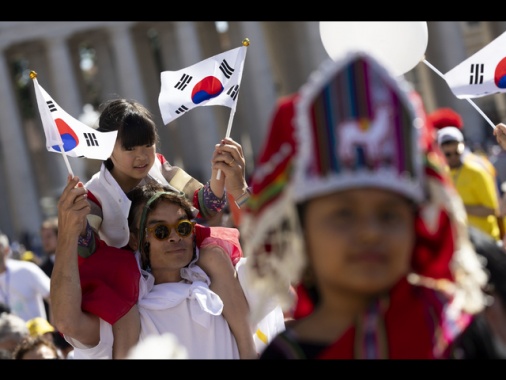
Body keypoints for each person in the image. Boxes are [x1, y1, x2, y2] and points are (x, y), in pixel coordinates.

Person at [240, 52, 488, 359]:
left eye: (388, 214)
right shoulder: (283, 355)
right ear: (300, 230)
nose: (370, 232)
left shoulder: (459, 329)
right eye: (343, 214)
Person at [75, 98, 256, 359]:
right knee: (124, 293)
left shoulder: (162, 166)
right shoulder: (94, 193)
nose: (142, 155)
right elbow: (87, 246)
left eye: (147, 145)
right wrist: (76, 222)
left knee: (215, 255)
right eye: (130, 148)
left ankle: (248, 350)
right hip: (127, 266)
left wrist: (220, 174)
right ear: (107, 147)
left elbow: (205, 205)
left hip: (176, 248)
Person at [51, 178, 285, 359]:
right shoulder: (126, 312)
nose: (174, 238)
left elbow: (283, 259)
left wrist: (242, 192)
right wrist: (68, 234)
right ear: (135, 240)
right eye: (160, 231)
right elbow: (67, 323)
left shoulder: (223, 279)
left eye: (182, 228)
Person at [437, 126, 502, 242]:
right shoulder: (442, 174)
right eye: (448, 154)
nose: (453, 157)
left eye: (456, 153)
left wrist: (458, 207)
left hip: (487, 241)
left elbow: (493, 209)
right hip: (464, 241)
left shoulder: (477, 171)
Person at [0, 233, 51, 322]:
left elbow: (52, 296)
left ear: (6, 250)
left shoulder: (26, 269)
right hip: (8, 334)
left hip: (37, 333)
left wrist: (54, 329)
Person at [38, 217, 58, 320]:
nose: (45, 241)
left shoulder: (76, 260)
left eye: (49, 236)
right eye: (43, 237)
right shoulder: (41, 269)